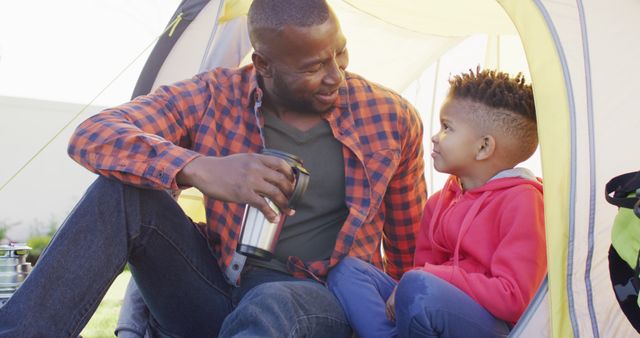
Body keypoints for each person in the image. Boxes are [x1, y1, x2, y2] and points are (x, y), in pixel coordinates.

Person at [0, 0, 427, 337]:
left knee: (274, 302)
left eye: (340, 53)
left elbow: (410, 250)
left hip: (320, 301)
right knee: (122, 194)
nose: (336, 75)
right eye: (313, 67)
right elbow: (92, 135)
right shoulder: (216, 96)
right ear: (263, 66)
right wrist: (199, 168)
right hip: (217, 287)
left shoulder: (391, 118)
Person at [327, 68, 546, 338]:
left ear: (483, 147)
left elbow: (515, 298)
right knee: (347, 272)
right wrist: (422, 279)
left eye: (447, 128)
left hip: (496, 327)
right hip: (431, 309)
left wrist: (434, 278)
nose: (434, 136)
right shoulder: (439, 202)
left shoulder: (523, 201)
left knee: (419, 287)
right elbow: (420, 271)